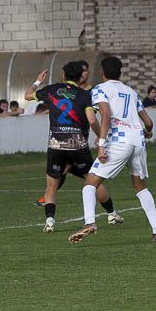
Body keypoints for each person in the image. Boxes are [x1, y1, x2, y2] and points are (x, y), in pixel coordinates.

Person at [69, 56, 156, 244]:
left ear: (102, 73)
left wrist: (102, 144)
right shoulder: (131, 91)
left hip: (118, 142)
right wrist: (147, 132)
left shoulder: (100, 89)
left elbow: (104, 115)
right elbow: (149, 122)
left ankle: (89, 223)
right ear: (120, 73)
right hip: (138, 142)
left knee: (90, 183)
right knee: (140, 187)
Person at [25, 61, 122, 234]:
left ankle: (49, 221)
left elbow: (27, 95)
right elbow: (92, 120)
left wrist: (38, 81)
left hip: (56, 144)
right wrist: (102, 138)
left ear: (64, 76)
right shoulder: (85, 95)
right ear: (80, 77)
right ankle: (112, 214)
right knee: (94, 181)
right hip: (78, 145)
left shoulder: (51, 90)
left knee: (51, 186)